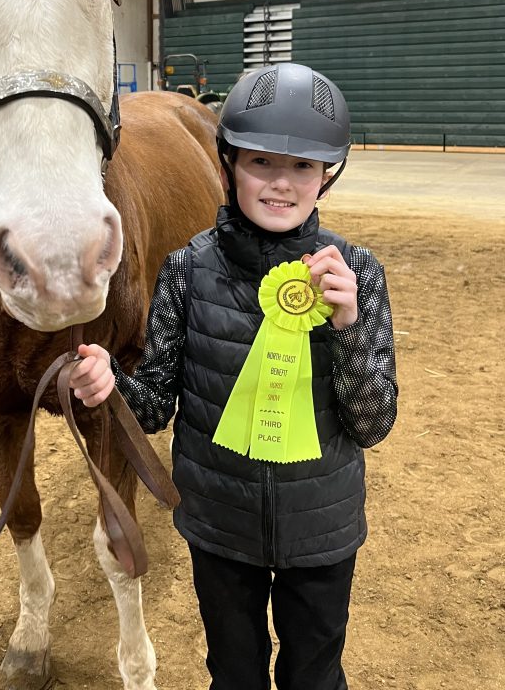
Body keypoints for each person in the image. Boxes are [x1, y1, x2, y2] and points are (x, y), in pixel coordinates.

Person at [69, 62, 398, 690]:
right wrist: (112, 386)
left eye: (303, 166)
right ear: (228, 167)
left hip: (320, 529)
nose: (281, 183)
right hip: (220, 528)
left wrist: (349, 326)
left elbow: (372, 423)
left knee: (315, 675)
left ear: (326, 176)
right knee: (234, 674)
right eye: (261, 162)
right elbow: (155, 404)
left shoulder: (358, 274)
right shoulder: (185, 271)